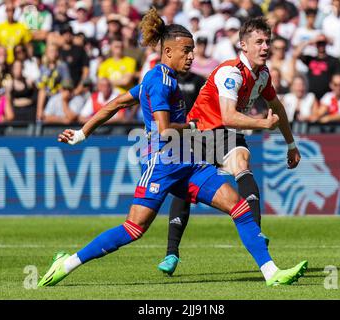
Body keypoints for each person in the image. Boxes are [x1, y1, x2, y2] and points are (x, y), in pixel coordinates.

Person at [37, 8, 307, 288]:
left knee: (238, 207)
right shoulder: (161, 81)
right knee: (133, 229)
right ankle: (67, 263)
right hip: (163, 163)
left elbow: (117, 104)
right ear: (168, 53)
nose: (191, 56)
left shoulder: (161, 78)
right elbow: (165, 131)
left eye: (192, 50)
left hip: (188, 161)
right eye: (186, 51)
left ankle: (271, 272)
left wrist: (83, 133)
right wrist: (195, 126)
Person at [158, 17, 302, 276]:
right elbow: (228, 115)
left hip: (226, 134)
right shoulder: (231, 72)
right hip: (198, 132)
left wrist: (291, 144)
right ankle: (171, 253)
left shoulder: (263, 75)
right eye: (259, 42)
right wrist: (262, 124)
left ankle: (255, 233)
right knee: (183, 188)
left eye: (267, 41)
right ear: (243, 46)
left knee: (242, 163)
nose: (265, 47)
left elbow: (277, 107)